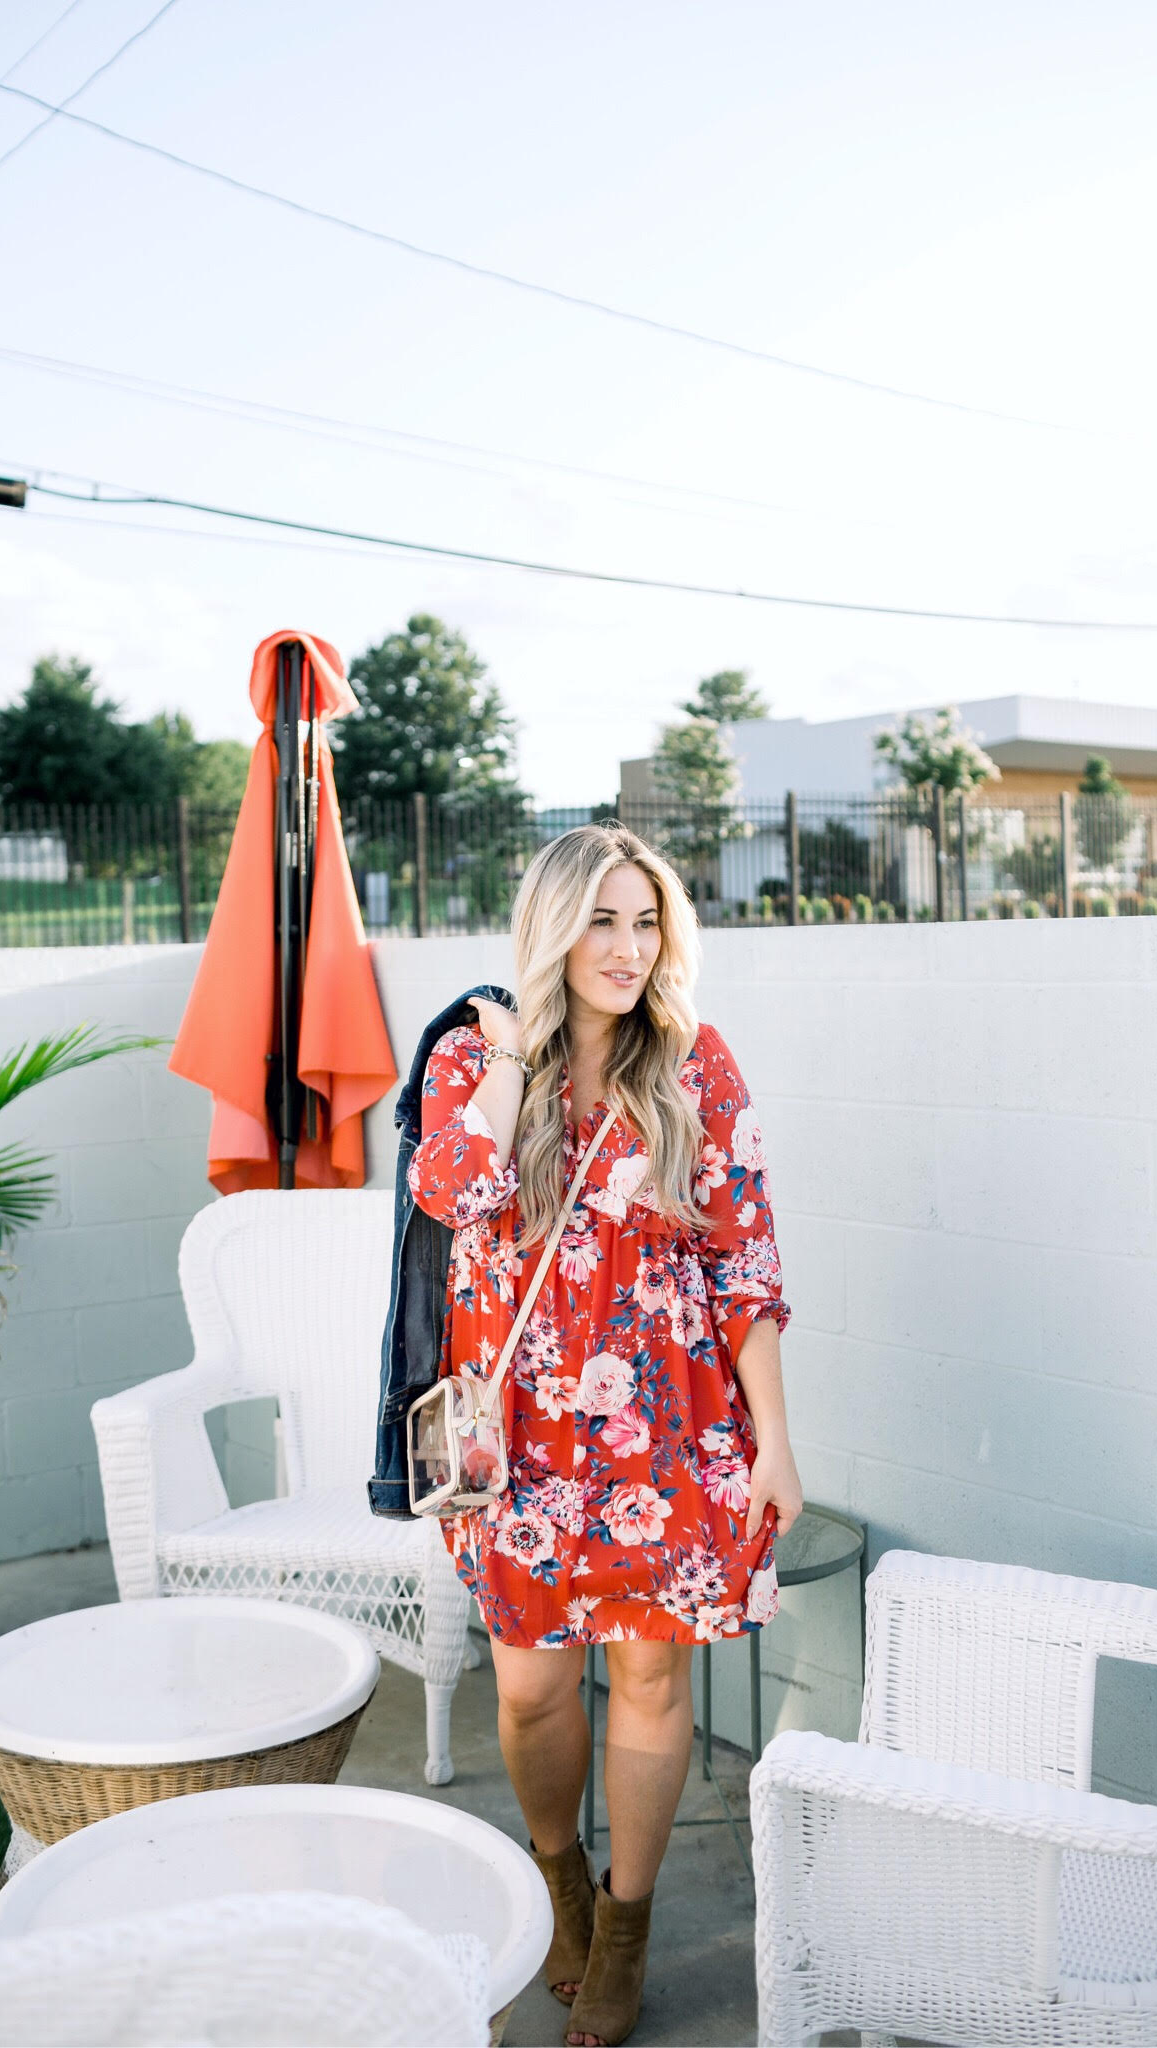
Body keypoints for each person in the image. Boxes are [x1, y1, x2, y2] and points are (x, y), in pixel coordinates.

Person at [406, 823, 802, 2048]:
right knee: (528, 1683)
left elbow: (745, 1258)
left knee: (647, 1670)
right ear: (552, 924)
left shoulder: (696, 1058)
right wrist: (523, 1056)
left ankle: (624, 1919)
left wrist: (775, 1438)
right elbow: (452, 1188)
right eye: (603, 920)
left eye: (647, 922)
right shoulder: (473, 1050)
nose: (628, 948)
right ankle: (556, 1877)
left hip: (669, 1425)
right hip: (516, 1434)